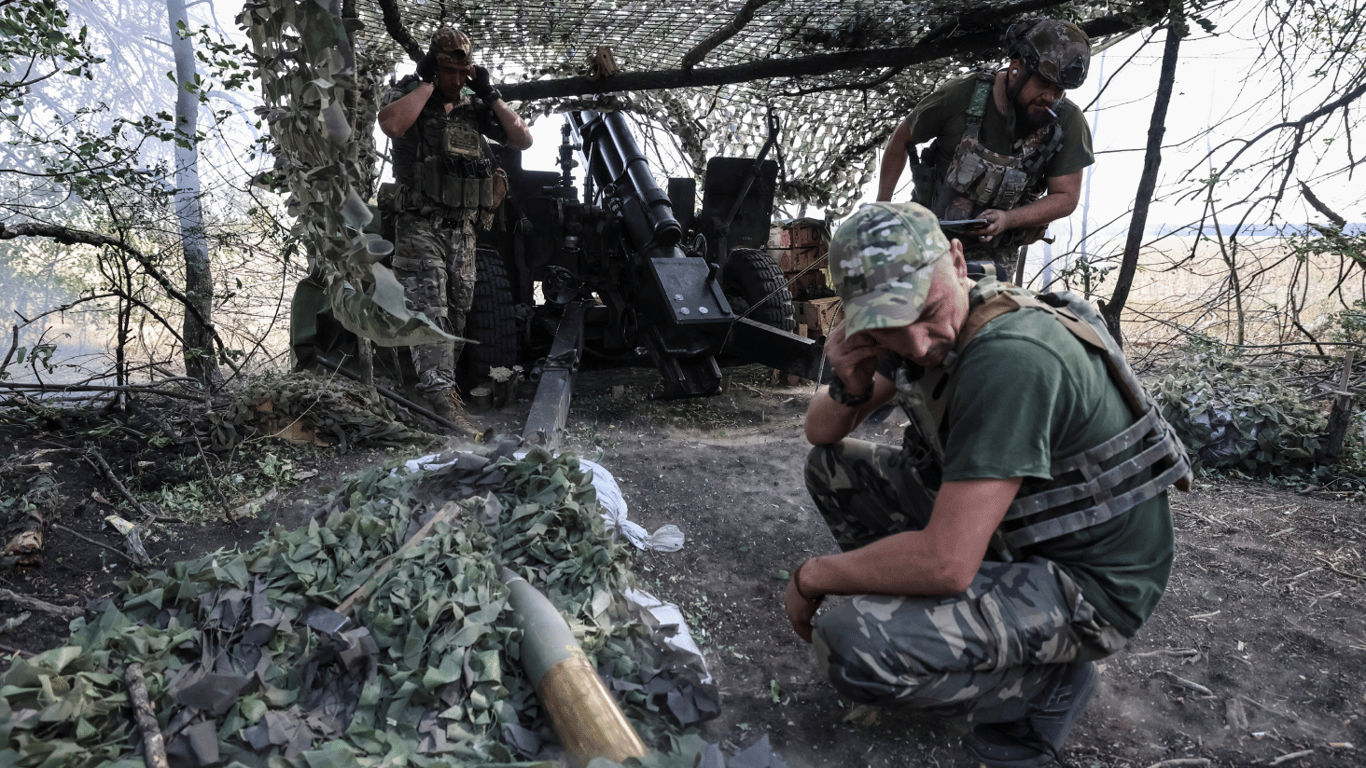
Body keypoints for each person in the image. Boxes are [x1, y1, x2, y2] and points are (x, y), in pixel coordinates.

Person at [784, 202, 1190, 767]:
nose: (920, 345)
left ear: (957, 258)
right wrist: (851, 385)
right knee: (834, 469)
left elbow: (946, 563)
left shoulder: (1009, 358)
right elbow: (818, 432)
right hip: (1021, 537)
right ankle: (954, 628)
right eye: (889, 330)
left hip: (1091, 583)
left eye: (926, 312)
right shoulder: (933, 319)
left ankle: (1047, 688)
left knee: (851, 645)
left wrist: (813, 577)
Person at [377, 28, 533, 419]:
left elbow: (522, 139)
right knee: (431, 311)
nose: (459, 79)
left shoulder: (472, 108)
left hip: (461, 232)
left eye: (465, 72)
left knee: (458, 315)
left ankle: (431, 393)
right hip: (419, 227)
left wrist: (490, 93)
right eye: (451, 71)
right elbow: (392, 126)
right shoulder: (410, 95)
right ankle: (443, 404)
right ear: (434, 65)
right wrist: (428, 84)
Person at [876, 18, 1094, 275]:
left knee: (988, 309)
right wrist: (882, 211)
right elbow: (902, 138)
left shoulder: (1067, 122)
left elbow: (1066, 197)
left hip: (994, 247)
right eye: (1043, 84)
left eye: (1060, 90)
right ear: (1016, 69)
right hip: (929, 235)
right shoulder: (961, 95)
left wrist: (1007, 219)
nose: (1050, 97)